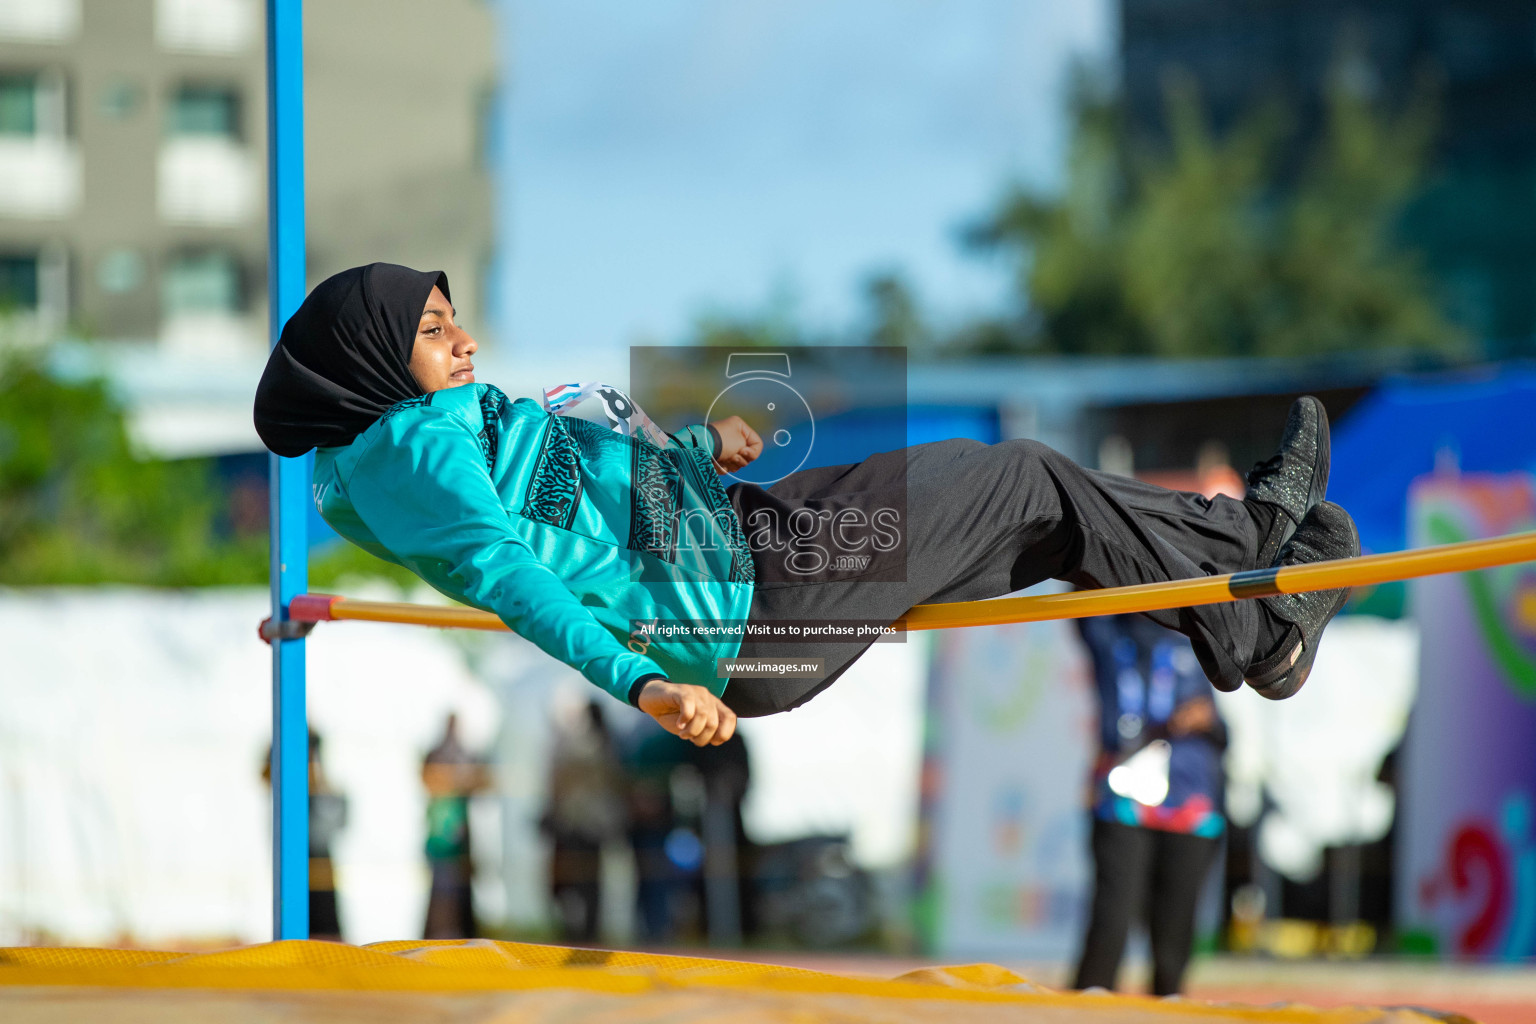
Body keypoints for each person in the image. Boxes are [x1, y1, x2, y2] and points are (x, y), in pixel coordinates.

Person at [253, 263, 1360, 748]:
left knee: (1039, 522)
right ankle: (1252, 550)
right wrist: (643, 685)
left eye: (459, 321)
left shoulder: (444, 435)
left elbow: (580, 514)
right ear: (371, 354)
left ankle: (1253, 629)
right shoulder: (413, 452)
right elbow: (516, 579)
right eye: (438, 328)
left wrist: (692, 448)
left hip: (750, 544)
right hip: (747, 600)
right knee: (1026, 475)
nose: (468, 342)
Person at [1071, 614, 1227, 996]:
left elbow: (1224, 733)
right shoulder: (1109, 627)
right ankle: (1084, 1012)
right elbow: (1076, 578)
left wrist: (1206, 720)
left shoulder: (1202, 632)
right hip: (1122, 795)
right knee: (1111, 921)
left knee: (1174, 936)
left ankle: (1168, 1005)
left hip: (1191, 802)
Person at [541, 700, 626, 943]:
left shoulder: (576, 745)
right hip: (587, 823)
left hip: (579, 823)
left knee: (578, 881)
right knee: (586, 882)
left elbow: (557, 782)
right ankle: (586, 932)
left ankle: (582, 932)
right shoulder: (608, 747)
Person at [421, 713, 489, 939]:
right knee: (442, 886)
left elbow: (482, 780)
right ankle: (441, 931)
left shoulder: (464, 754)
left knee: (459, 886)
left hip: (460, 833)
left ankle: (458, 931)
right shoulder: (438, 755)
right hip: (441, 833)